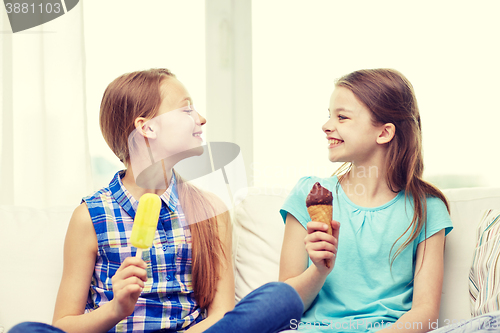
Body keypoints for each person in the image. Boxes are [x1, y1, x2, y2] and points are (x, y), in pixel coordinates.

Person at [9, 68, 302, 333]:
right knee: (25, 331)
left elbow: (221, 315)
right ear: (147, 127)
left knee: (281, 298)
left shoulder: (210, 210)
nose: (201, 119)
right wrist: (116, 309)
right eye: (186, 109)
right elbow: (64, 324)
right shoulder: (91, 216)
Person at [278, 68, 453, 332]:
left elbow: (425, 313)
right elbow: (284, 308)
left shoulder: (426, 209)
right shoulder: (310, 194)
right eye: (329, 116)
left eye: (342, 117)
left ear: (384, 133)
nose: (326, 126)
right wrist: (318, 270)